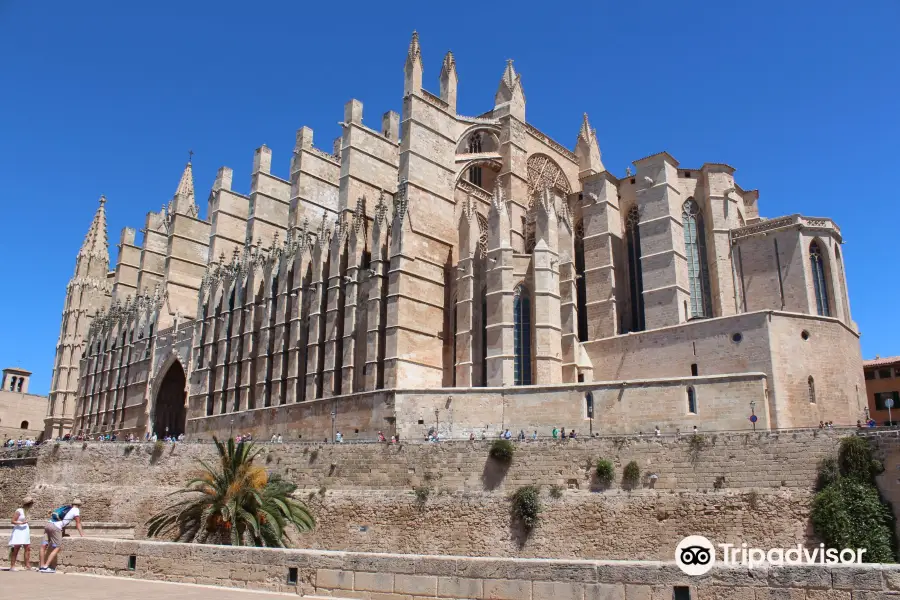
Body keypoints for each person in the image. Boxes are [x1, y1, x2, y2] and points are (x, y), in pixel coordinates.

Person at [39, 498, 84, 573]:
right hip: (55, 528)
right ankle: (46, 567)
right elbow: (78, 523)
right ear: (79, 505)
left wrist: (63, 533)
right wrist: (82, 535)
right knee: (57, 547)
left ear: (72, 504)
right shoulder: (76, 510)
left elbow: (63, 521)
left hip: (48, 524)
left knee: (43, 545)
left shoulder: (66, 508)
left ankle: (41, 566)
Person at [8, 496, 33, 571]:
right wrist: (21, 523)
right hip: (19, 530)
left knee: (27, 548)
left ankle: (27, 565)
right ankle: (12, 566)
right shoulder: (19, 510)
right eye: (31, 503)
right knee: (16, 548)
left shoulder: (27, 511)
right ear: (28, 504)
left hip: (25, 530)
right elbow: (12, 521)